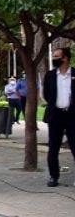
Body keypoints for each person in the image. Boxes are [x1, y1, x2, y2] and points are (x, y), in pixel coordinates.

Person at [42, 47, 75, 187]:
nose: (54, 59)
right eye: (53, 56)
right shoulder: (50, 75)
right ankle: (53, 176)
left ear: (65, 58)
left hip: (72, 115)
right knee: (53, 148)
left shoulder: (74, 74)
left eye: (57, 56)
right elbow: (47, 94)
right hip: (55, 116)